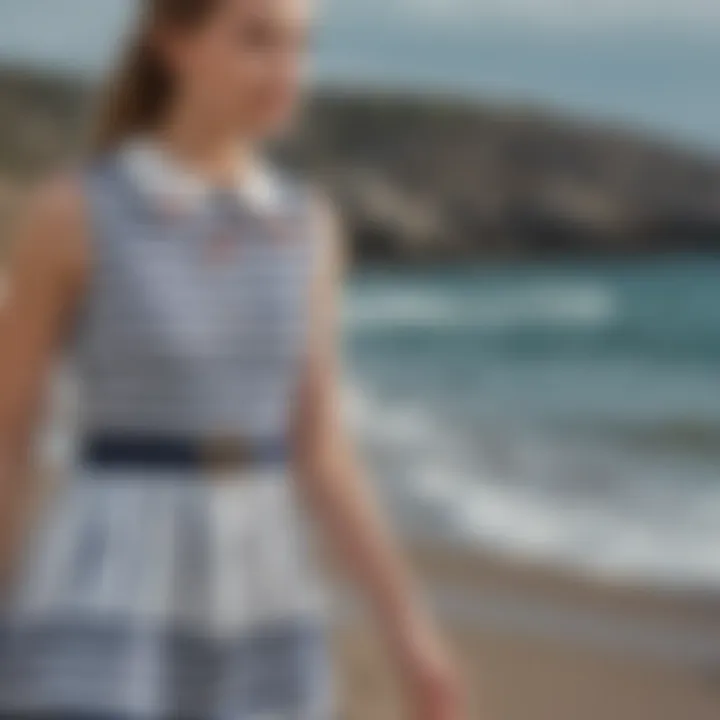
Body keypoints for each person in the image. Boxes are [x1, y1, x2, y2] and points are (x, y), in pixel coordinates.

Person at [0, 0, 462, 718]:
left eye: (300, 47)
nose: (287, 72)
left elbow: (322, 449)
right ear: (174, 44)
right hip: (104, 588)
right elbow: (9, 432)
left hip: (263, 593)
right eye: (257, 41)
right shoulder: (76, 211)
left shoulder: (305, 226)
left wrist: (410, 629)